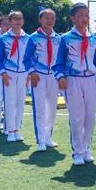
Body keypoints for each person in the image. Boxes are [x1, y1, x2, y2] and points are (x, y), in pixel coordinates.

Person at [53, 3, 96, 166]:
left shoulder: (94, 39)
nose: (85, 18)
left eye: (87, 15)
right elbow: (59, 62)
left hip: (90, 80)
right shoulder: (65, 39)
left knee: (90, 118)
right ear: (73, 18)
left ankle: (86, 148)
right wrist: (60, 76)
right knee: (77, 118)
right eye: (81, 15)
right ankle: (77, 152)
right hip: (73, 80)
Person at [24, 8, 61, 151]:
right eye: (46, 18)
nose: (49, 21)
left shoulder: (59, 38)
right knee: (39, 108)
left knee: (51, 108)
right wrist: (32, 72)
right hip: (38, 76)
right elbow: (27, 58)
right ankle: (40, 141)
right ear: (40, 20)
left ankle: (47, 137)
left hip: (54, 76)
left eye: (52, 18)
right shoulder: (33, 38)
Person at [0, 11, 30, 142]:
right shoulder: (3, 39)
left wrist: (29, 73)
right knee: (9, 102)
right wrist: (3, 73)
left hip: (23, 74)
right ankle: (10, 130)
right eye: (15, 19)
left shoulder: (28, 38)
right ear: (9, 22)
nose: (18, 21)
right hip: (9, 73)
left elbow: (30, 57)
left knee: (20, 102)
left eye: (20, 18)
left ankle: (17, 130)